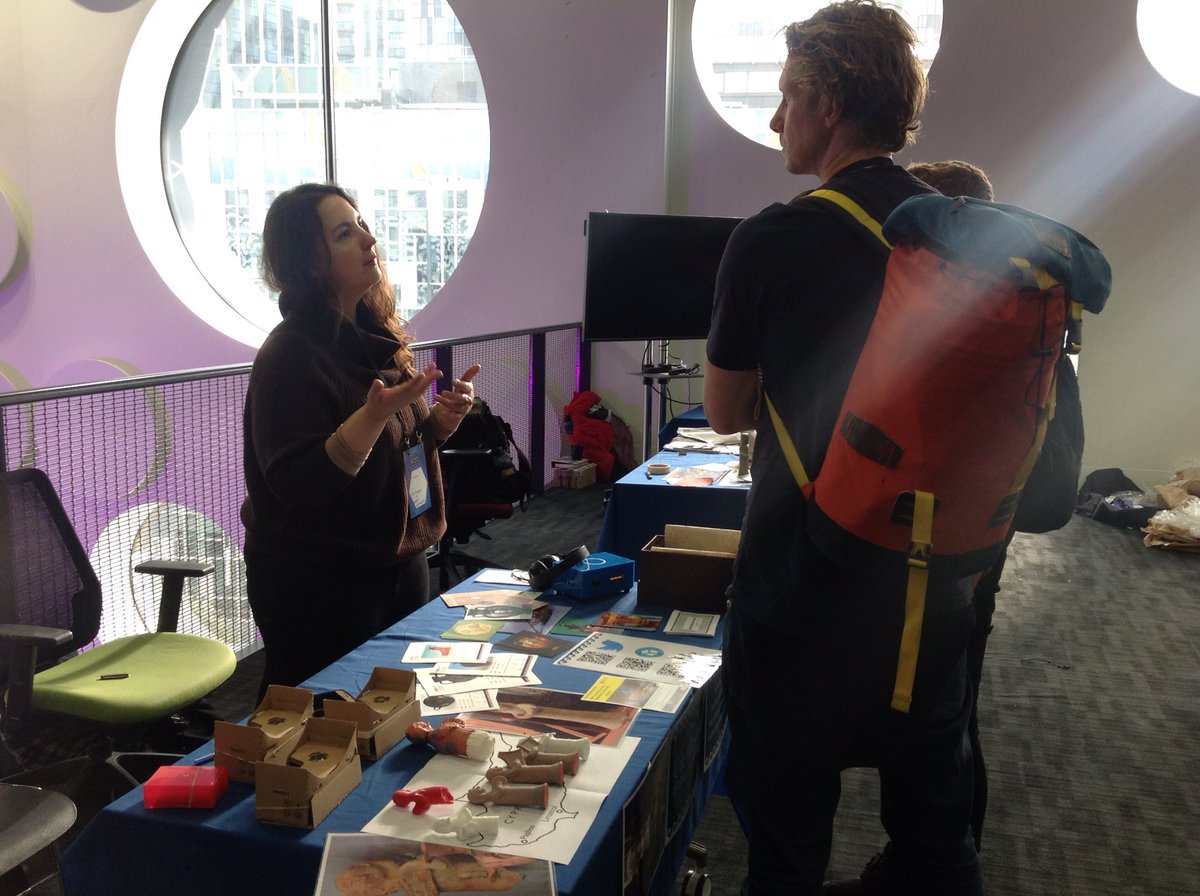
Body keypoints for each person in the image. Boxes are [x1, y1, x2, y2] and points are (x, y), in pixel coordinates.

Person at [704, 4, 984, 895]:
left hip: (801, 592)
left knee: (786, 849)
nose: (777, 120)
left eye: (788, 97)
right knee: (936, 842)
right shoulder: (967, 232)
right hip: (928, 592)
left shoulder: (773, 239)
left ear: (827, 102)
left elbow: (723, 410)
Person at [824, 160, 999, 895]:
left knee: (911, 730)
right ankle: (934, 863)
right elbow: (1053, 492)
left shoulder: (911, 325)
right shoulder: (1017, 314)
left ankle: (935, 869)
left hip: (893, 567)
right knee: (945, 733)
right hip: (969, 566)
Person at [242, 182, 481, 697]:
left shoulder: (375, 338)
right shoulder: (289, 355)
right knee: (323, 733)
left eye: (363, 226)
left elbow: (401, 446)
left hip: (398, 560)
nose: (370, 241)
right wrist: (371, 419)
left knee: (394, 714)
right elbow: (299, 483)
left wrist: (439, 424)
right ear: (309, 261)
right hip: (320, 582)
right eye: (345, 234)